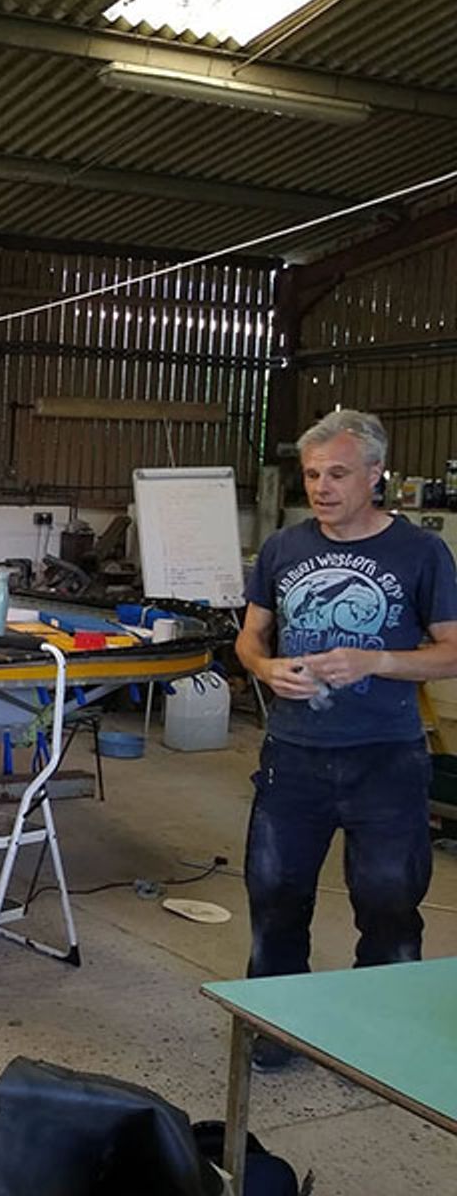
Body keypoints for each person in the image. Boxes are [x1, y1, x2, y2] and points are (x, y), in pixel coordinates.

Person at [235, 408, 457, 1069]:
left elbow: (452, 651)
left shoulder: (421, 553)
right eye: (311, 474)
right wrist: (265, 667)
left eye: (336, 473)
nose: (321, 487)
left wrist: (377, 661)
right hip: (294, 757)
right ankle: (278, 1030)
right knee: (274, 896)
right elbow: (251, 635)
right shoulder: (284, 548)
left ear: (374, 474)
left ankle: (378, 1036)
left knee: (389, 902)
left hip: (385, 757)